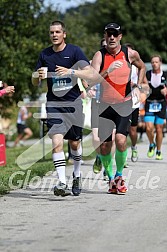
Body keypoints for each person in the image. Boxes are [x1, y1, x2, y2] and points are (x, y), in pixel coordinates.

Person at [32, 20, 90, 197]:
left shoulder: (74, 51)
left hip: (73, 105)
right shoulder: (45, 55)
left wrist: (71, 72)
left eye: (58, 32)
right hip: (54, 105)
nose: (54, 35)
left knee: (75, 144)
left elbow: (89, 73)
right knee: (56, 143)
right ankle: (62, 182)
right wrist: (37, 76)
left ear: (64, 34)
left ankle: (77, 174)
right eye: (52, 32)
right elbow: (35, 82)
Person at [89, 23, 146, 194]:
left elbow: (142, 66)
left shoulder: (130, 54)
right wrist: (107, 71)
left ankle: (119, 177)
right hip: (104, 105)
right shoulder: (99, 55)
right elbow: (92, 80)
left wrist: (139, 86)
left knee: (121, 141)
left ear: (120, 36)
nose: (112, 38)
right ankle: (111, 178)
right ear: (105, 36)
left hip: (124, 103)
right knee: (105, 147)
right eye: (109, 34)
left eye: (115, 34)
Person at [144, 55, 167, 160]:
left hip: (161, 104)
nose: (154, 64)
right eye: (152, 62)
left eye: (156, 62)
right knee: (148, 128)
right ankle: (151, 144)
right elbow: (142, 85)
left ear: (160, 63)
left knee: (159, 129)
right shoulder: (147, 74)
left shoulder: (165, 75)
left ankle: (158, 150)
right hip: (149, 103)